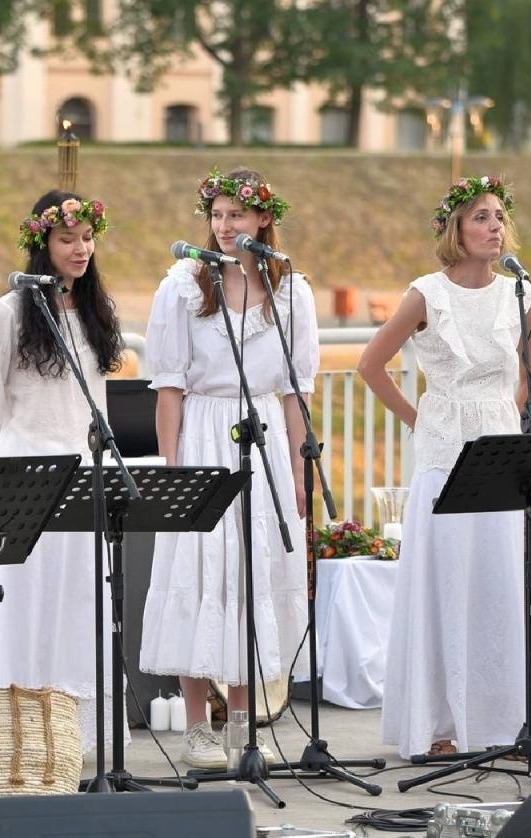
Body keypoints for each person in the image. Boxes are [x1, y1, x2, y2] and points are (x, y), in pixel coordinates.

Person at [359, 176, 531, 759]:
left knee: (501, 585)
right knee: (447, 583)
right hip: (445, 451)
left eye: (499, 215)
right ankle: (440, 725)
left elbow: (530, 374)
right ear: (455, 229)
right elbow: (371, 365)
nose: (494, 226)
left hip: (501, 452)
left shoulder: (520, 293)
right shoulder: (426, 293)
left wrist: (510, 417)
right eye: (480, 216)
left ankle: (504, 721)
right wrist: (419, 419)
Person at [139, 168, 316, 769]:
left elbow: (296, 390)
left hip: (262, 436)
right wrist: (172, 469)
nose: (223, 227)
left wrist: (298, 471)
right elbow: (168, 386)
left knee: (248, 573)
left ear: (263, 219)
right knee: (200, 572)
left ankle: (242, 723)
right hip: (205, 436)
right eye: (216, 215)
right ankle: (196, 727)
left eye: (235, 215)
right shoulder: (185, 285)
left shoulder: (292, 289)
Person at [0, 190, 121, 752]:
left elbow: (94, 402)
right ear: (42, 243)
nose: (81, 249)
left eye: (87, 238)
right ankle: (21, 738)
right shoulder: (8, 311)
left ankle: (72, 738)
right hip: (25, 470)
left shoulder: (93, 309)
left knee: (79, 600)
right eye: (67, 239)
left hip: (81, 470)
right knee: (28, 604)